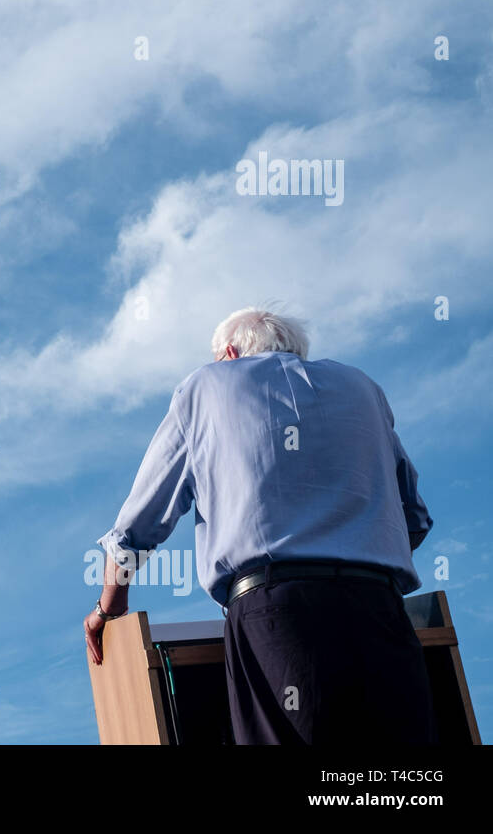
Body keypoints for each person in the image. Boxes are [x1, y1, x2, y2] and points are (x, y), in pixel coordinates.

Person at [85, 306, 438, 743]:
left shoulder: (205, 387)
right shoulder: (364, 388)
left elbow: (138, 523)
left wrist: (109, 606)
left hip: (277, 612)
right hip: (379, 607)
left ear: (229, 353)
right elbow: (415, 520)